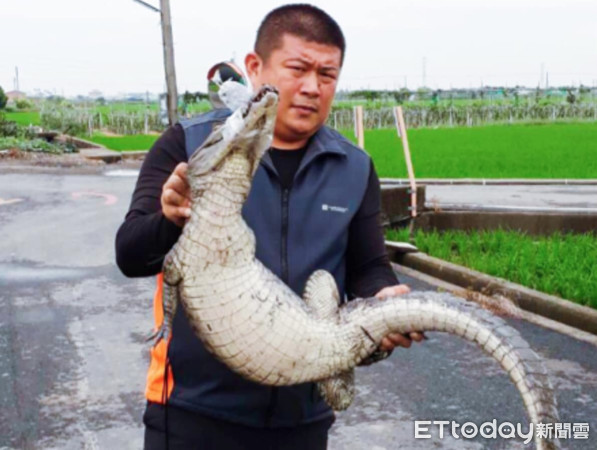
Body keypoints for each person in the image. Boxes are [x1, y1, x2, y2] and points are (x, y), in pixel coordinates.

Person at [115, 4, 424, 449]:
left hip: (302, 420)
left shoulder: (353, 167)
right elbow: (129, 254)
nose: (312, 88)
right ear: (255, 67)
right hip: (190, 414)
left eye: (327, 75)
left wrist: (384, 297)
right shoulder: (190, 145)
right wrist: (168, 220)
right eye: (298, 69)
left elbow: (368, 266)